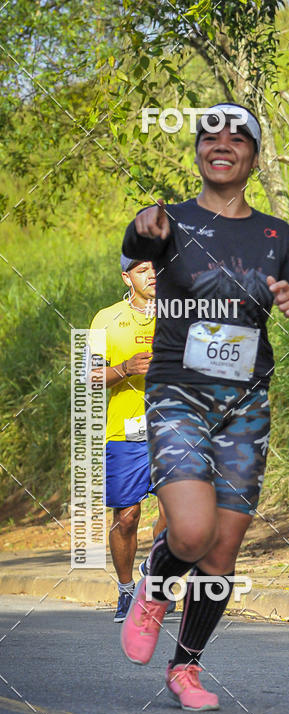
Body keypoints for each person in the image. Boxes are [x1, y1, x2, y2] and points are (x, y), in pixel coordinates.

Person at [120, 102, 289, 710]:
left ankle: (185, 669)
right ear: (199, 153)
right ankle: (153, 588)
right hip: (179, 391)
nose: (223, 143)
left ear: (254, 158)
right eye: (211, 135)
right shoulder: (172, 221)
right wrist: (141, 228)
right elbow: (137, 239)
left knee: (222, 550)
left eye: (239, 137)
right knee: (189, 529)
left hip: (246, 404)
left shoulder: (276, 235)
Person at [88, 257, 167, 622]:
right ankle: (125, 591)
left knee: (177, 515)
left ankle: (153, 575)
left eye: (155, 267)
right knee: (128, 516)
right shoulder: (106, 318)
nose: (151, 274)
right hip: (125, 430)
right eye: (141, 270)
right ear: (126, 276)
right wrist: (124, 369)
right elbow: (88, 376)